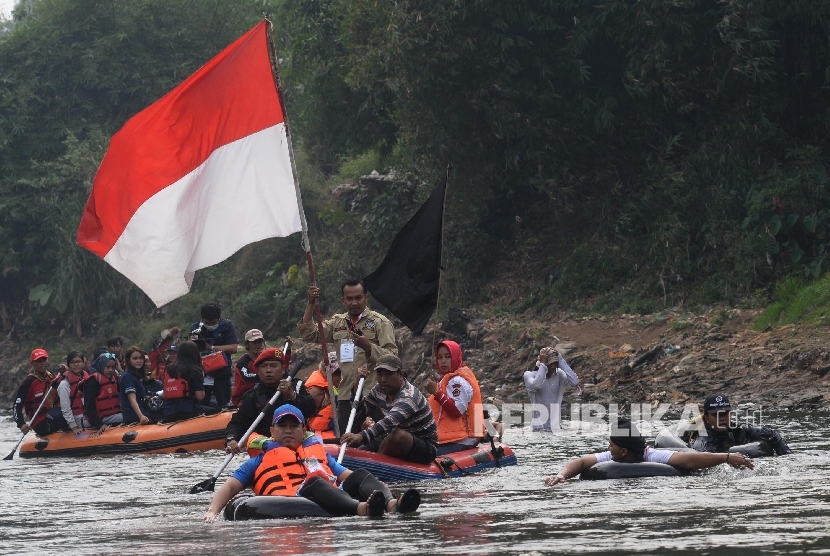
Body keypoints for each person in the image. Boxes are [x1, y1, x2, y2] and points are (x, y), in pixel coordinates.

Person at [202, 404, 421, 522]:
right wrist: (212, 511)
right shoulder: (258, 461)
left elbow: (350, 478)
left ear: (303, 430)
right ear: (271, 431)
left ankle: (393, 504)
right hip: (290, 500)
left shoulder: (318, 456)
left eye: (294, 426)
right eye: (282, 426)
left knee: (360, 473)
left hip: (330, 497)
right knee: (315, 481)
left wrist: (380, 491)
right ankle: (361, 510)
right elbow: (230, 486)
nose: (288, 430)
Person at [298, 279, 398, 434]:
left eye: (358, 298)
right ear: (343, 300)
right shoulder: (337, 323)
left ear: (366, 298)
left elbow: (393, 359)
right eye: (349, 299)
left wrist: (368, 346)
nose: (354, 303)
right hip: (346, 396)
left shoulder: (380, 323)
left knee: (380, 439)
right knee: (348, 441)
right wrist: (311, 303)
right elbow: (310, 334)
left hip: (374, 394)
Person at [544, 420, 755, 487]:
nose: (608, 449)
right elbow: (581, 462)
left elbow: (689, 459)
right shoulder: (612, 457)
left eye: (610, 445)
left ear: (623, 451)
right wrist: (562, 475)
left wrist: (727, 457)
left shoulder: (652, 456)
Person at [341, 355, 438, 464]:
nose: (383, 380)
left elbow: (388, 422)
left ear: (400, 374)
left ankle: (375, 466)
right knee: (360, 448)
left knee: (398, 436)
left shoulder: (409, 396)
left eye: (388, 375)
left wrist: (361, 436)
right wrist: (356, 387)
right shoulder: (379, 390)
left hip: (424, 445)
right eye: (380, 374)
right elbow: (360, 412)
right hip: (389, 436)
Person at [224, 347, 316, 454]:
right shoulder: (252, 396)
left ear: (283, 369)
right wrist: (231, 439)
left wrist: (291, 395)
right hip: (269, 451)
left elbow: (311, 409)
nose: (268, 370)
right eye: (263, 366)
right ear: (258, 371)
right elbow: (237, 422)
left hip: (299, 449)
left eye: (273, 365)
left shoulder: (297, 387)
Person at [680, 393, 792, 455]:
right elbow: (704, 458)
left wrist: (786, 456)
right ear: (707, 418)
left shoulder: (739, 429)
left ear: (731, 414)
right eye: (716, 415)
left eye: (725, 414)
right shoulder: (702, 438)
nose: (722, 418)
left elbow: (772, 435)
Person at [425, 340, 485, 455]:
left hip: (463, 439)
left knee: (424, 456)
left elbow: (457, 410)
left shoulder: (458, 381)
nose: (443, 361)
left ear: (456, 357)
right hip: (458, 437)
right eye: (439, 357)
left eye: (447, 357)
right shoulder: (451, 377)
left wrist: (436, 393)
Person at [190, 302, 238, 409]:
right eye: (208, 323)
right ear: (202, 319)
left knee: (224, 404)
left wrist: (211, 348)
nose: (211, 325)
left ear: (219, 318)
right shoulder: (196, 328)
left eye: (213, 323)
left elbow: (234, 348)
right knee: (201, 405)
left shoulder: (227, 325)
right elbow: (189, 351)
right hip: (203, 374)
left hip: (222, 373)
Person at [523, 347, 580, 430]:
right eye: (550, 363)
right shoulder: (529, 375)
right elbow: (536, 386)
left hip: (556, 426)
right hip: (538, 427)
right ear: (543, 363)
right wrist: (543, 364)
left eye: (555, 363)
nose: (553, 366)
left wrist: (560, 359)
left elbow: (574, 382)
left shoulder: (559, 375)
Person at [12, 348, 64, 436]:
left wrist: (65, 372)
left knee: (70, 411)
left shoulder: (52, 376)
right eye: (38, 361)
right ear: (32, 363)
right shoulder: (28, 382)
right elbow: (17, 405)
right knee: (63, 413)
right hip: (40, 423)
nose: (42, 363)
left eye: (44, 360)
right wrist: (21, 424)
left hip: (54, 415)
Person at [162, 340, 209, 422]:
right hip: (188, 411)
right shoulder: (195, 370)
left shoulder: (168, 369)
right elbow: (200, 396)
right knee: (214, 409)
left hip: (169, 412)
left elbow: (165, 395)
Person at [119, 346, 161, 425]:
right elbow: (132, 399)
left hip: (143, 412)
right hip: (134, 416)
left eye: (141, 358)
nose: (139, 361)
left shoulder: (136, 377)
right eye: (135, 358)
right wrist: (141, 417)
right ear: (128, 361)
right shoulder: (127, 376)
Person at [83, 353, 124, 432]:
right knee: (128, 416)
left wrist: (120, 371)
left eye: (113, 367)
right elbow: (89, 407)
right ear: (101, 366)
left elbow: (125, 387)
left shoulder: (113, 380)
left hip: (113, 415)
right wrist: (99, 424)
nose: (110, 370)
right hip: (102, 418)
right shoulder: (93, 382)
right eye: (107, 367)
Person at [231, 329, 267, 407]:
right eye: (254, 342)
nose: (257, 345)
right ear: (247, 344)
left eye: (259, 342)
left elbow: (280, 369)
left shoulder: (265, 359)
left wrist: (287, 351)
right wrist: (265, 376)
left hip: (261, 393)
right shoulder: (243, 362)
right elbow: (246, 376)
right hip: (243, 396)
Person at [57, 351, 90, 434]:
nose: (76, 364)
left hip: (88, 415)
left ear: (83, 363)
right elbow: (65, 408)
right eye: (72, 362)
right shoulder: (64, 384)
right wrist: (74, 427)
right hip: (76, 418)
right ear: (68, 365)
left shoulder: (87, 379)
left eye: (78, 362)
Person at [305, 369, 339, 440]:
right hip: (321, 436)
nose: (339, 377)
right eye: (336, 374)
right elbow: (309, 410)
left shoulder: (324, 385)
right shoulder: (316, 389)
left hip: (326, 434)